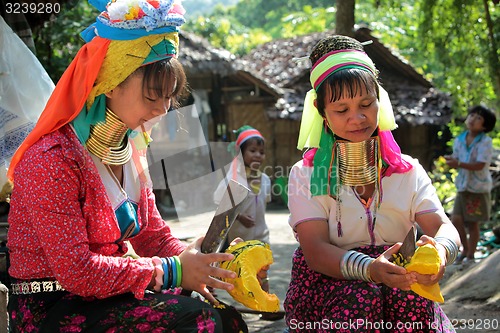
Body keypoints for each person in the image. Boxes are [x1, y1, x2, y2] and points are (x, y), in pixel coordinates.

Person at [6, 1, 248, 332]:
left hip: (105, 296)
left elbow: (155, 237)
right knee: (198, 320)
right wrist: (175, 271)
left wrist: (209, 263)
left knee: (228, 320)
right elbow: (78, 272)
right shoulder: (52, 158)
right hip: (54, 307)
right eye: (152, 97)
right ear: (111, 81)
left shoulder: (131, 148)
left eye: (169, 98)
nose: (162, 111)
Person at [284, 35, 460, 332]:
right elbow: (314, 249)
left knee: (409, 298)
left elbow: (442, 226)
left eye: (366, 103)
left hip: (400, 284)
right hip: (333, 287)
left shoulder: (408, 171)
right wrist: (370, 269)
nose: (358, 117)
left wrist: (442, 250)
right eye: (342, 110)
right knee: (359, 299)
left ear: (380, 99)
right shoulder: (305, 175)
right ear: (321, 111)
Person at [213, 125, 283, 320]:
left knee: (262, 271)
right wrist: (240, 216)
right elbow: (219, 202)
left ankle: (266, 308)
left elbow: (263, 202)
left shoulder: (266, 179)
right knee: (232, 272)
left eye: (261, 152)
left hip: (260, 235)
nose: (258, 156)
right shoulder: (232, 179)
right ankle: (213, 303)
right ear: (240, 153)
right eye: (252, 151)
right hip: (238, 239)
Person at [444, 105, 497, 265]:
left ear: (485, 126)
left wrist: (458, 163)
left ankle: (470, 255)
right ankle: (465, 250)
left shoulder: (485, 142)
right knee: (456, 220)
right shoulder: (460, 139)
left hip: (477, 188)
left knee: (473, 222)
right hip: (463, 186)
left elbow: (480, 164)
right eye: (472, 115)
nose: (473, 119)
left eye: (479, 118)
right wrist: (452, 160)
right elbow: (458, 158)